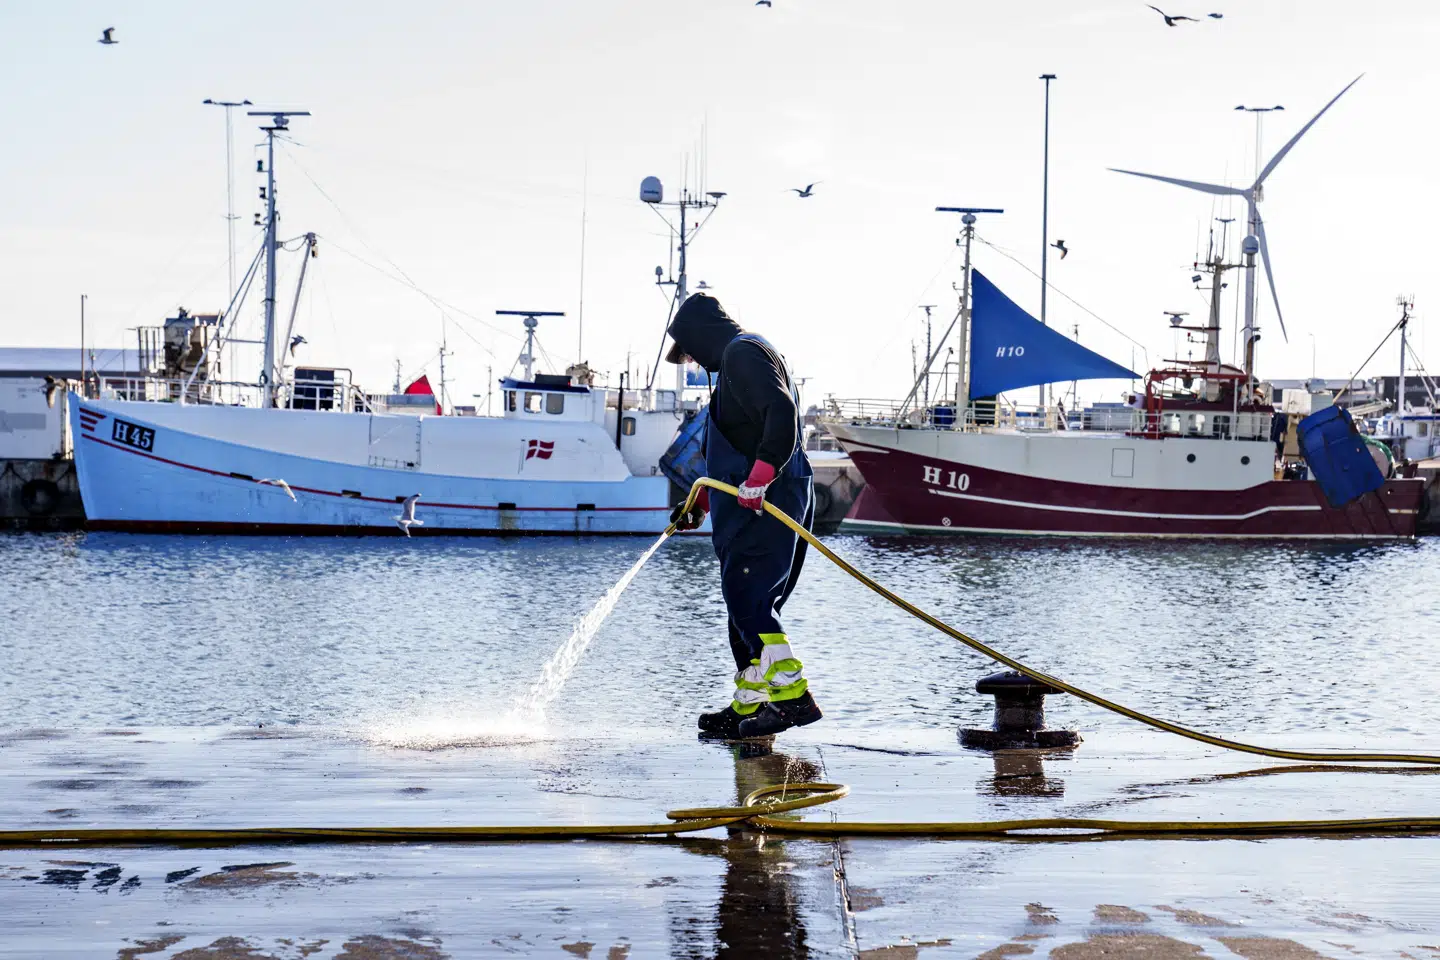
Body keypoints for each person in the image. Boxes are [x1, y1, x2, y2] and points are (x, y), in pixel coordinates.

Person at [665, 293, 822, 739]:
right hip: (751, 501)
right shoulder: (735, 366)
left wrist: (761, 474)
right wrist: (698, 505)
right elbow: (728, 456)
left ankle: (792, 698)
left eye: (690, 350)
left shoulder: (743, 354)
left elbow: (782, 413)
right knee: (744, 605)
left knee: (748, 596)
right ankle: (751, 704)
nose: (692, 360)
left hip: (770, 501)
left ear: (701, 334)